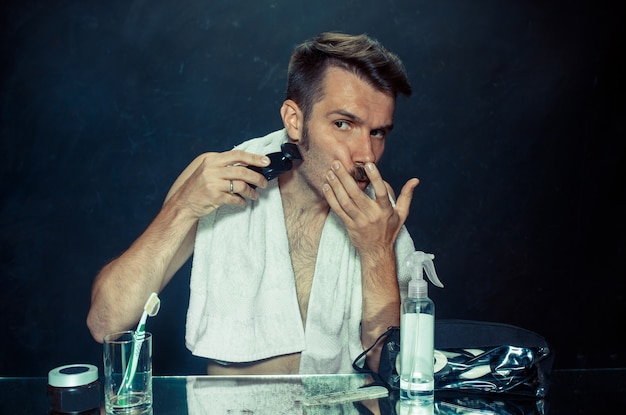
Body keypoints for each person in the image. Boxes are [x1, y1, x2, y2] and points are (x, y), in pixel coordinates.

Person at [87, 32, 420, 375]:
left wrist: (377, 252)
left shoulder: (381, 215)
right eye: (343, 124)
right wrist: (183, 207)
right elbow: (106, 322)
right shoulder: (217, 180)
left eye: (378, 132)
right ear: (294, 120)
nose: (366, 155)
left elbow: (394, 373)